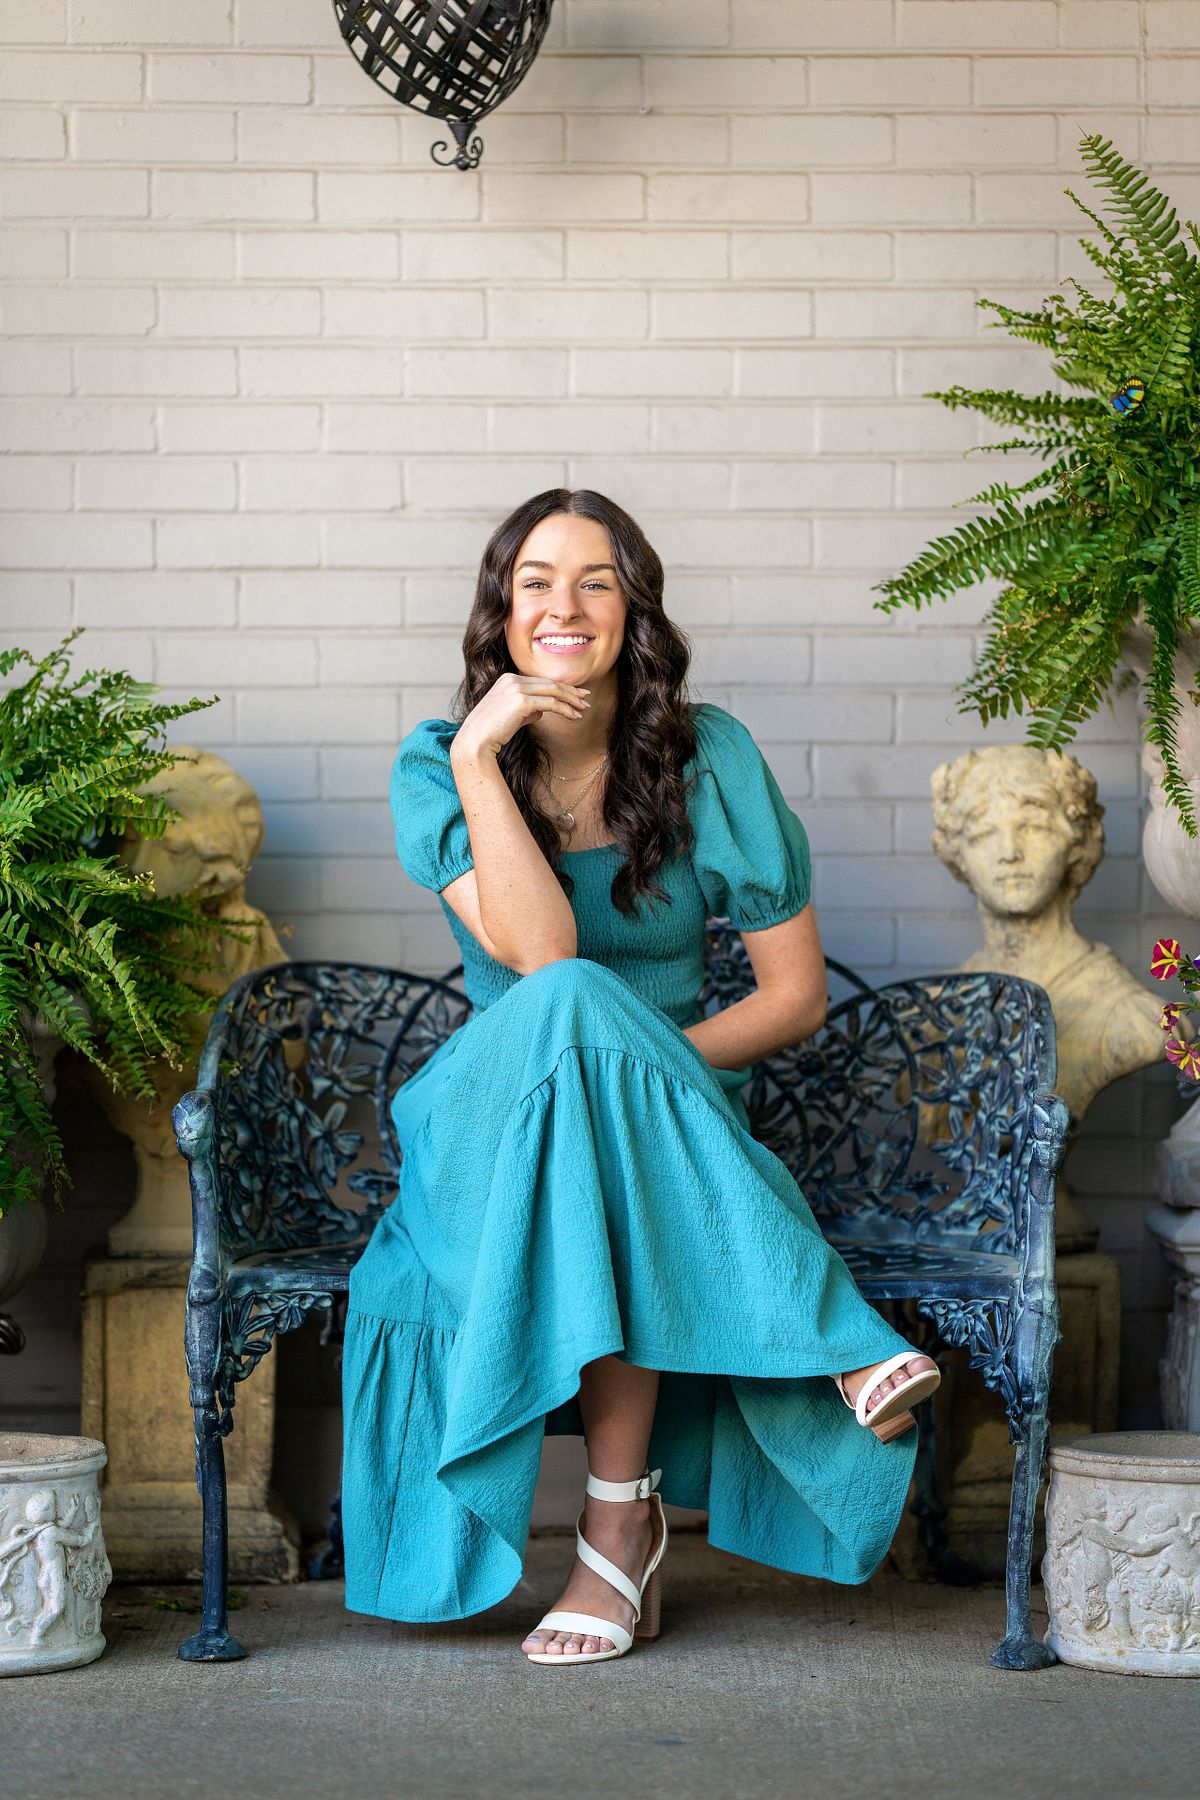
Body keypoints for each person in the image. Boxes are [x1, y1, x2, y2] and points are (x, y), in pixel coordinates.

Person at [340, 488, 939, 1667]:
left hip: (662, 1129)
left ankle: (617, 1533)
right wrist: (479, 755)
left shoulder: (708, 758)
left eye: (595, 581)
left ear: (635, 610)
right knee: (570, 1002)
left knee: (606, 1151)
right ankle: (835, 1342)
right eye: (535, 583)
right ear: (502, 614)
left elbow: (794, 996)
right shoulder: (438, 765)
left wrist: (634, 1079)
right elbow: (543, 956)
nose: (564, 606)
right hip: (490, 1121)